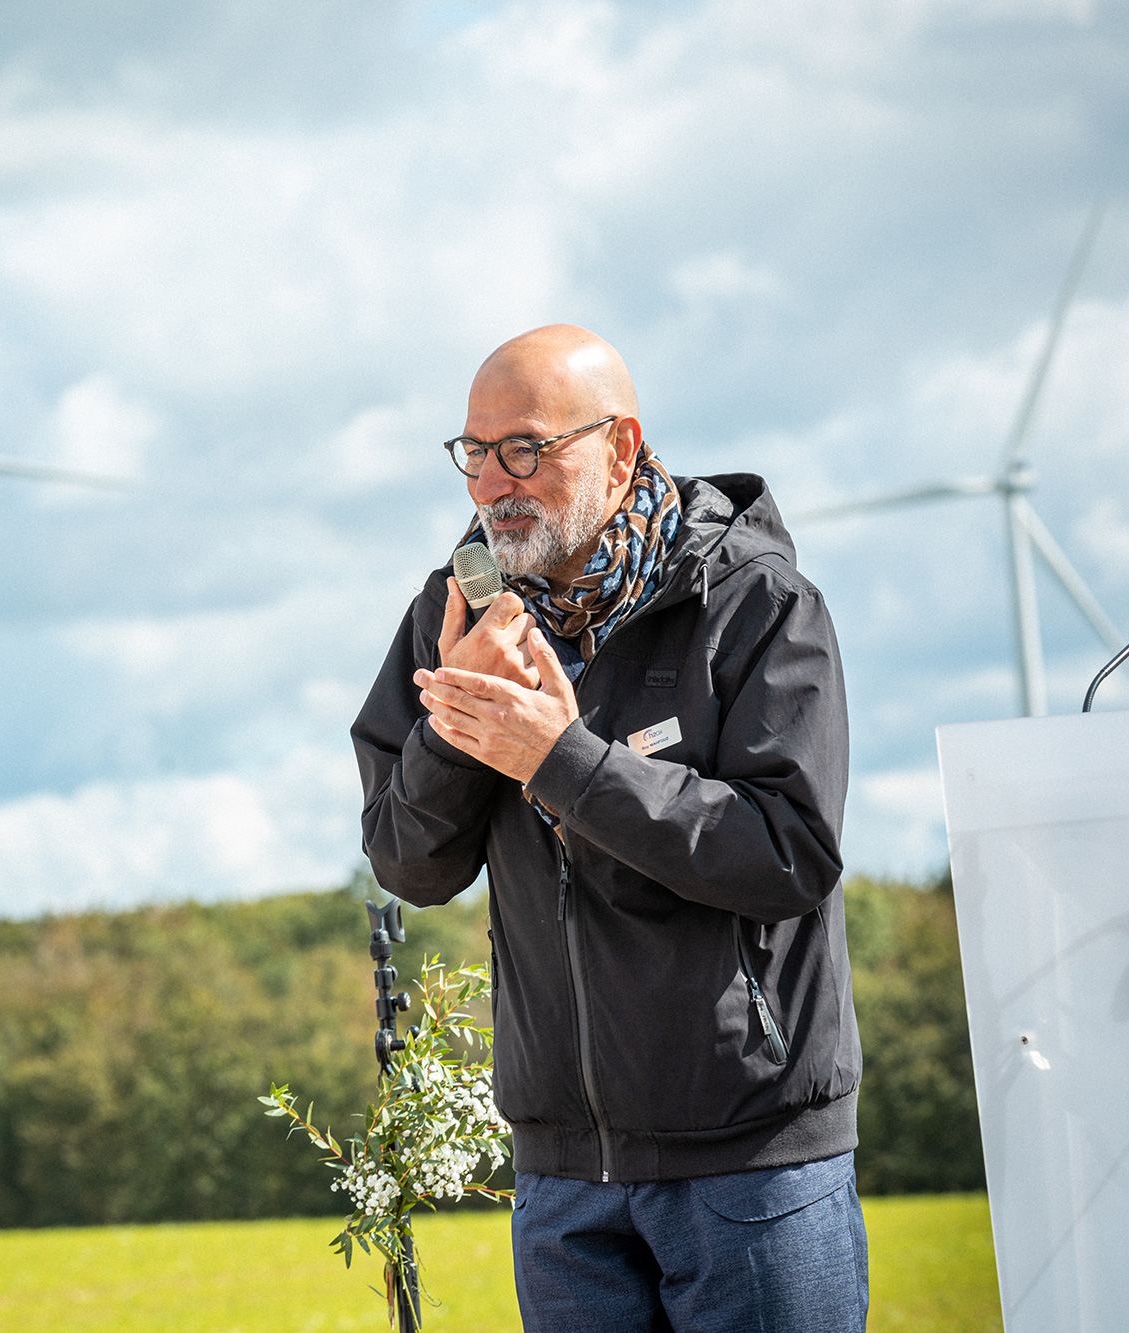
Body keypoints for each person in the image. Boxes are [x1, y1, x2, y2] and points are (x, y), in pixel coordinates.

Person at [351, 325, 866, 1332]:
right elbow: (407, 864)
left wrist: (560, 757)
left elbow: (787, 854)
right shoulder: (454, 613)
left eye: (524, 449)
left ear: (620, 446)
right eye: (473, 451)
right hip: (562, 1187)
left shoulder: (756, 603)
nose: (490, 484)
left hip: (751, 1166)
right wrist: (459, 724)